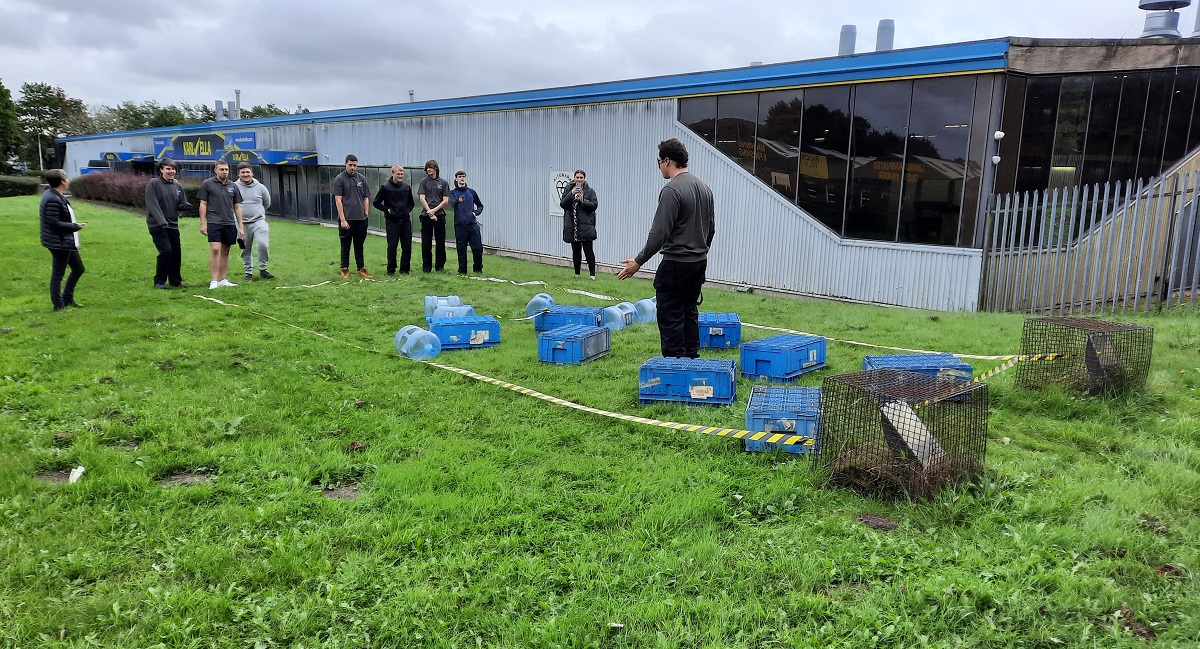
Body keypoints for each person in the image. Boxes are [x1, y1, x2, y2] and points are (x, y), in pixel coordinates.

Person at [617, 138, 715, 359]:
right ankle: (692, 358)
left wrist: (638, 261)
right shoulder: (704, 188)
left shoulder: (672, 190)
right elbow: (711, 229)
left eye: (659, 161)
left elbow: (659, 233)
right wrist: (699, 251)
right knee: (689, 312)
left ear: (667, 161)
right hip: (698, 263)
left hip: (676, 264)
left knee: (670, 315)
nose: (659, 166)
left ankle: (674, 367)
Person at [39, 169, 86, 311]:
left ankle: (67, 298)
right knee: (58, 274)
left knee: (78, 268)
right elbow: (54, 223)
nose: (68, 180)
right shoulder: (52, 198)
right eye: (66, 177)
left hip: (65, 241)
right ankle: (58, 305)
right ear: (62, 182)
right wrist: (74, 226)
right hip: (58, 242)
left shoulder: (55, 195)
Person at [197, 160, 245, 290]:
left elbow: (237, 207)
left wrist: (240, 225)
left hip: (229, 222)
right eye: (222, 169)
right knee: (215, 249)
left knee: (226, 251)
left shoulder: (233, 186)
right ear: (216, 170)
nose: (225, 172)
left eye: (226, 169)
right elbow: (203, 204)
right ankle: (214, 280)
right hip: (213, 221)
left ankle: (223, 279)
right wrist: (203, 223)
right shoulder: (207, 184)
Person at [144, 158, 191, 289]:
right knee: (166, 251)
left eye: (173, 169)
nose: (171, 171)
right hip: (157, 225)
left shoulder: (177, 186)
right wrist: (162, 222)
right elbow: (152, 204)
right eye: (168, 169)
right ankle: (159, 281)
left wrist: (186, 206)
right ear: (161, 170)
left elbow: (180, 203)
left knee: (176, 253)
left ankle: (175, 281)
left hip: (173, 225)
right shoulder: (154, 184)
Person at [333, 154, 373, 279]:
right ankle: (344, 268)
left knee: (359, 244)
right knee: (345, 245)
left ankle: (361, 268)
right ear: (346, 164)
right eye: (350, 165)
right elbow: (338, 200)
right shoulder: (340, 179)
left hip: (361, 219)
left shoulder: (362, 179)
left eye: (355, 165)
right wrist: (343, 219)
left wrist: (366, 213)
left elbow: (366, 197)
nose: (352, 168)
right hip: (347, 219)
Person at [372, 165, 415, 275]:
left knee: (407, 246)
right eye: (398, 174)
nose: (400, 176)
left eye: (402, 174)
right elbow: (376, 203)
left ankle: (405, 269)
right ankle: (391, 270)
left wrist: (406, 211)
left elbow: (411, 203)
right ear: (393, 174)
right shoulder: (385, 187)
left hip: (405, 221)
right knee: (392, 246)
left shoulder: (406, 187)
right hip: (392, 222)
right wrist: (387, 210)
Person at [236, 162, 274, 280]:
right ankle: (248, 272)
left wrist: (257, 212)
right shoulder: (234, 187)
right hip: (241, 224)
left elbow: (267, 203)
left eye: (248, 172)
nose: (246, 174)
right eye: (243, 172)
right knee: (245, 248)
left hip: (258, 221)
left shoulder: (261, 187)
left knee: (263, 244)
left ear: (252, 173)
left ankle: (263, 269)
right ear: (239, 174)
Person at [559, 169, 599, 280]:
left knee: (588, 251)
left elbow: (594, 205)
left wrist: (583, 200)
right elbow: (563, 204)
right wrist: (571, 194)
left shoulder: (590, 191)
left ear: (584, 179)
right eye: (577, 177)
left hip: (586, 225)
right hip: (573, 225)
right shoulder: (568, 189)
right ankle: (577, 274)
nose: (579, 179)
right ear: (574, 178)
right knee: (576, 250)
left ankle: (592, 275)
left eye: (581, 177)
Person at [449, 170, 485, 275]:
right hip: (460, 226)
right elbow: (451, 203)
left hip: (472, 225)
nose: (462, 178)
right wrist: (457, 201)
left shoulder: (471, 192)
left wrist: (475, 213)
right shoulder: (453, 193)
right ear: (456, 179)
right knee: (461, 250)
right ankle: (462, 271)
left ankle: (478, 269)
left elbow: (480, 205)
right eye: (460, 176)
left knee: (477, 248)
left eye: (463, 176)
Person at [417, 159, 451, 272]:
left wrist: (434, 211)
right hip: (426, 215)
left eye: (430, 167)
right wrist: (429, 212)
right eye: (427, 168)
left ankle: (439, 267)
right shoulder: (424, 181)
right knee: (426, 242)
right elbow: (422, 198)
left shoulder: (443, 182)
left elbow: (445, 200)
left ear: (435, 168)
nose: (428, 170)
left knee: (440, 242)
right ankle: (426, 267)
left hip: (440, 215)